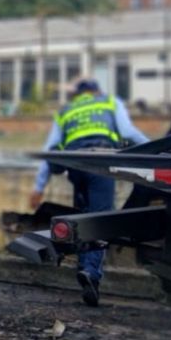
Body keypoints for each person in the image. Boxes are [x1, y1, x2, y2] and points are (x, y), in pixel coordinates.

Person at [30, 78, 149, 307]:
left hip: (76, 166)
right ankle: (91, 272)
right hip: (100, 162)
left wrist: (38, 187)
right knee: (100, 219)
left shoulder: (66, 111)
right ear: (97, 91)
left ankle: (85, 271)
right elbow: (127, 132)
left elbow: (49, 150)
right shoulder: (109, 102)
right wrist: (155, 151)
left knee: (82, 221)